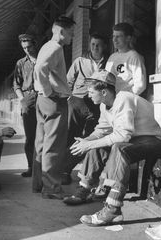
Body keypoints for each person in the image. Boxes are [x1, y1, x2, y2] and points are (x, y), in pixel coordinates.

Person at [63, 70, 161, 227]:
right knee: (97, 145)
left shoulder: (123, 99)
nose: (88, 96)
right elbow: (102, 130)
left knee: (119, 148)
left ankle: (113, 209)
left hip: (156, 139)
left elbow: (123, 137)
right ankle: (84, 190)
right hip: (137, 138)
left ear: (103, 92)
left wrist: (89, 143)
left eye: (91, 92)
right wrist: (87, 140)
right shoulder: (105, 105)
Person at [33, 16, 76, 199]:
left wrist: (44, 91)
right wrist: (49, 91)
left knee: (41, 144)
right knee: (54, 146)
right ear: (61, 31)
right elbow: (40, 68)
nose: (72, 37)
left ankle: (39, 184)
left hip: (42, 100)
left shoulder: (46, 46)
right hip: (54, 101)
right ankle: (51, 188)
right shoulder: (56, 47)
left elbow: (39, 67)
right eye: (71, 33)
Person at [62, 33, 108, 185]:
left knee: (89, 137)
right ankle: (64, 171)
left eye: (98, 45)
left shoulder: (108, 62)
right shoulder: (80, 61)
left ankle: (83, 171)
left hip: (95, 106)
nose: (95, 47)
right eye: (93, 44)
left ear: (104, 46)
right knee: (70, 135)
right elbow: (68, 80)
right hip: (77, 102)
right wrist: (70, 97)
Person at [13, 33, 38, 178]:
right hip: (27, 98)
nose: (27, 50)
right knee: (30, 136)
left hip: (42, 96)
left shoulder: (43, 59)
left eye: (29, 47)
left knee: (45, 135)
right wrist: (22, 99)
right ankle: (31, 166)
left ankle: (44, 167)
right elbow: (16, 84)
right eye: (24, 48)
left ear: (35, 44)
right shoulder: (21, 63)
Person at [106, 22, 146, 95]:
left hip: (125, 101)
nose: (114, 40)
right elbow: (105, 79)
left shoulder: (134, 56)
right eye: (113, 36)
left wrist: (126, 98)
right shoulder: (112, 57)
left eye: (118, 36)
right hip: (111, 100)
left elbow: (140, 85)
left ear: (128, 38)